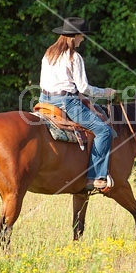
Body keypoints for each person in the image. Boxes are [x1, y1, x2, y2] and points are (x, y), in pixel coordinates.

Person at [39, 17, 116, 191]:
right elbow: (84, 87)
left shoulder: (49, 53)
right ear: (74, 36)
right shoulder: (74, 57)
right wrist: (106, 92)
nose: (83, 39)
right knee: (104, 131)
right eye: (82, 35)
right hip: (67, 103)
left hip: (44, 101)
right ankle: (95, 177)